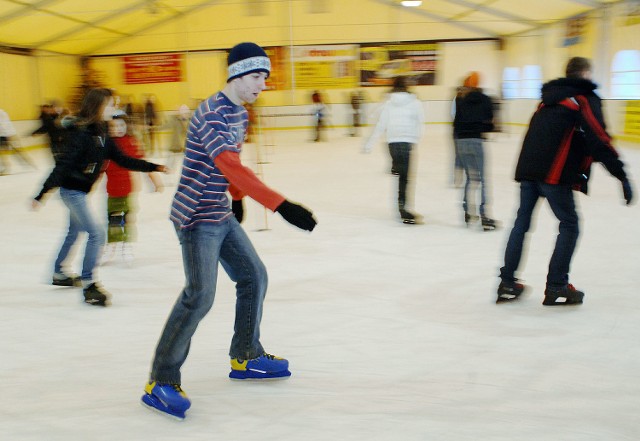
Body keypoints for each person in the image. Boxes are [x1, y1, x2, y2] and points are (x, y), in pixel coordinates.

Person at [141, 42, 317, 420]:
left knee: (254, 276)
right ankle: (161, 380)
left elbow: (231, 165)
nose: (262, 85)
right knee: (199, 295)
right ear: (237, 74)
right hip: (195, 217)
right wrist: (281, 205)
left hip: (219, 211)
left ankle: (246, 356)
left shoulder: (240, 113)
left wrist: (236, 198)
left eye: (265, 78)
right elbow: (231, 165)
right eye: (256, 77)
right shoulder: (210, 114)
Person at [496, 57, 633, 306]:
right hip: (553, 173)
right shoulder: (583, 98)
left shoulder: (548, 98)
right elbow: (598, 138)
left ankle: (507, 282)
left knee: (522, 222)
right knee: (569, 224)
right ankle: (557, 286)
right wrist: (621, 174)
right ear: (585, 75)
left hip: (529, 169)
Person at [32, 88, 166, 306]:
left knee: (73, 232)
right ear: (99, 106)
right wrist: (42, 193)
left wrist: (152, 166)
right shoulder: (81, 133)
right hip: (71, 192)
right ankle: (89, 284)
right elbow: (64, 165)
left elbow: (123, 159)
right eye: (112, 104)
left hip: (80, 192)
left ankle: (58, 273)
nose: (115, 108)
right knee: (96, 233)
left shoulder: (102, 133)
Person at [102, 110, 163, 265]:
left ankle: (126, 245)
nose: (118, 128)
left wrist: (154, 179)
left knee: (128, 218)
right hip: (112, 190)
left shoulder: (131, 142)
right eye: (114, 126)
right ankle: (112, 246)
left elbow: (142, 163)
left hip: (128, 189)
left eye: (122, 125)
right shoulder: (106, 144)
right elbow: (99, 168)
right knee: (113, 220)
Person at [363, 76, 425, 224]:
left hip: (392, 143)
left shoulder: (389, 103)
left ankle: (395, 166)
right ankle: (403, 210)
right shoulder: (415, 102)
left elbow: (381, 125)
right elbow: (420, 122)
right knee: (404, 178)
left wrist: (369, 143)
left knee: (400, 172)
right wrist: (416, 139)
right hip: (406, 142)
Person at [453, 72, 498, 231]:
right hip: (477, 140)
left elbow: (456, 122)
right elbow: (490, 122)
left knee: (470, 178)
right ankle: (484, 214)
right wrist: (483, 128)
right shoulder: (485, 99)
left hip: (462, 142)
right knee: (483, 179)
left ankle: (467, 211)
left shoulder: (462, 100)